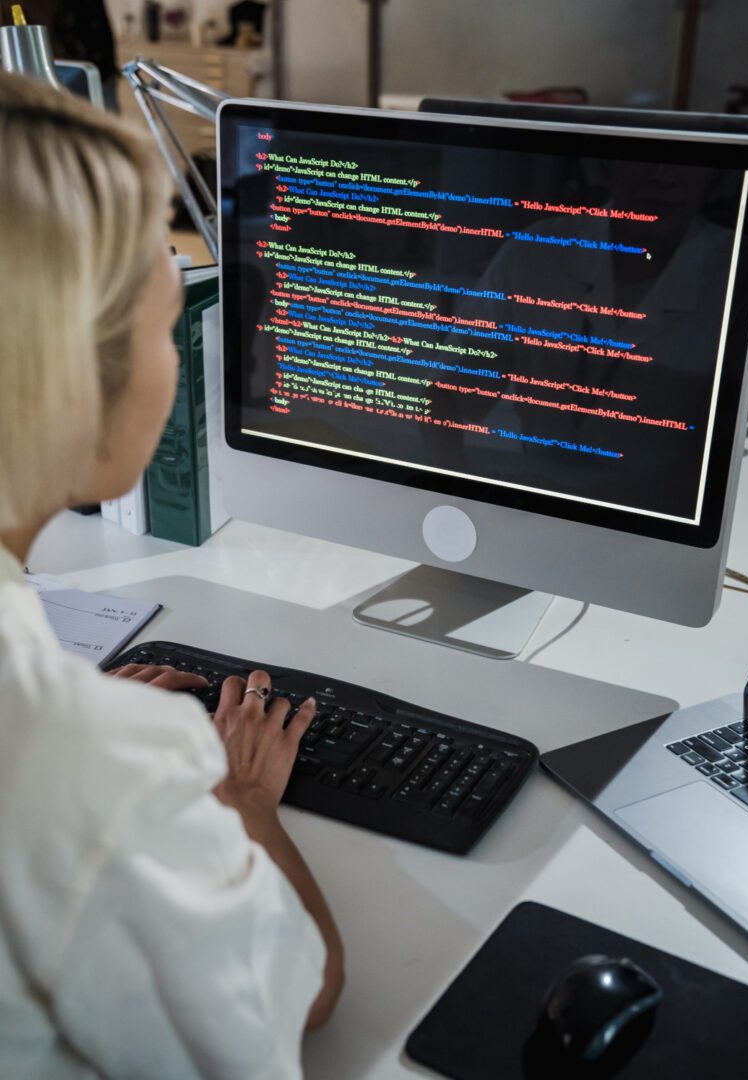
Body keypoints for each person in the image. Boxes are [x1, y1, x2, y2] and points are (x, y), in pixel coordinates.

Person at [0, 71, 344, 1078]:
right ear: (70, 375)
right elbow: (306, 990)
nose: (178, 359)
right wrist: (234, 799)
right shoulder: (99, 769)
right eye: (163, 326)